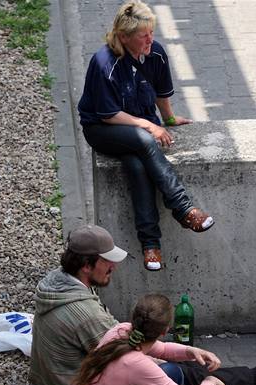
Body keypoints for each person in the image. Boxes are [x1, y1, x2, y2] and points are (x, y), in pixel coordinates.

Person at [78, 0, 214, 272]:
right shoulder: (104, 62)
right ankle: (183, 208)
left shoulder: (156, 53)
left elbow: (162, 93)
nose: (150, 39)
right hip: (104, 128)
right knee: (144, 141)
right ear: (124, 37)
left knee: (137, 164)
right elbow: (108, 114)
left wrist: (169, 119)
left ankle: (151, 245)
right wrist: (149, 126)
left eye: (152, 31)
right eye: (143, 35)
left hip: (136, 128)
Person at [74, 294, 256, 385]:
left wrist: (192, 351)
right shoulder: (137, 364)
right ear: (165, 330)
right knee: (203, 380)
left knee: (186, 369)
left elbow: (163, 351)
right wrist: (211, 384)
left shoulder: (123, 331)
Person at [29, 224, 128, 385]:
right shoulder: (86, 316)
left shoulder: (55, 282)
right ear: (86, 266)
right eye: (107, 261)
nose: (114, 267)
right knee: (173, 374)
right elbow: (129, 357)